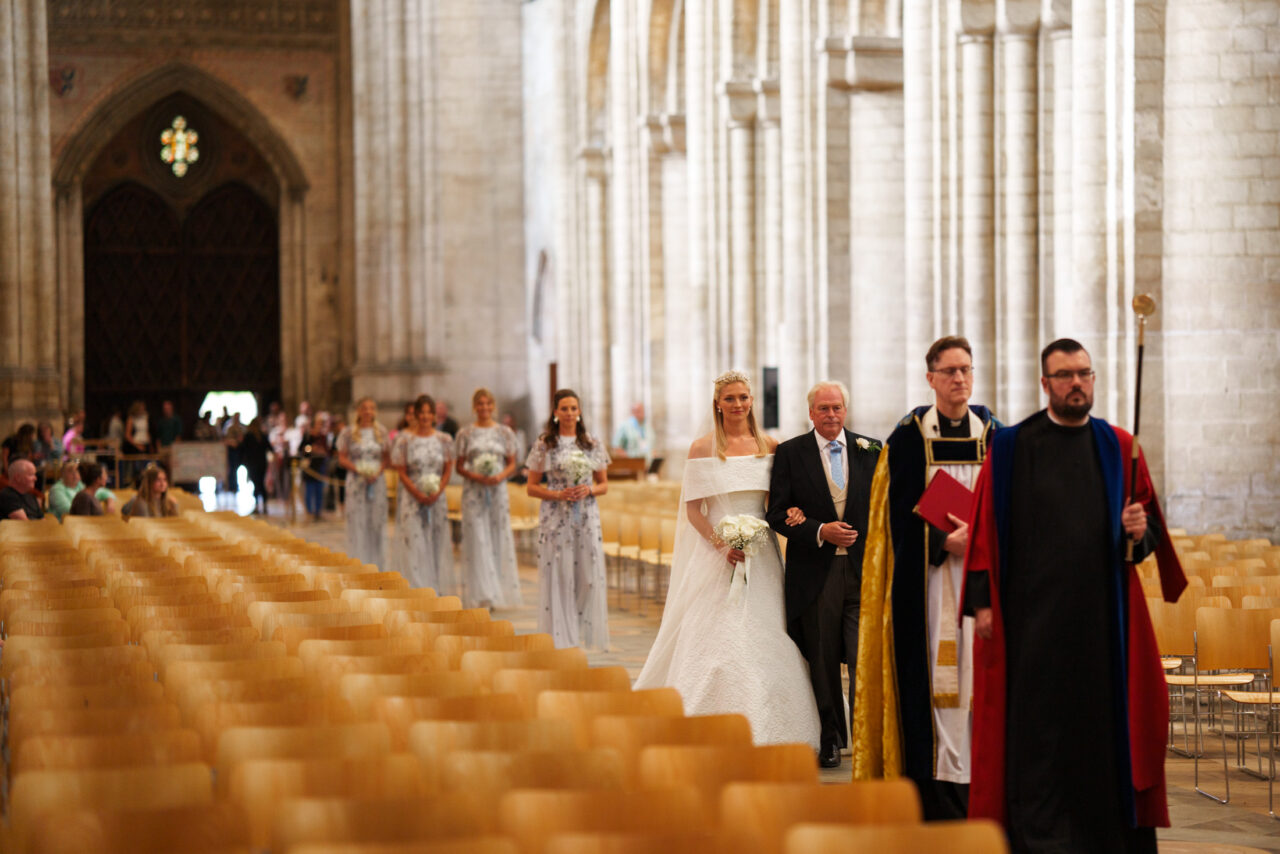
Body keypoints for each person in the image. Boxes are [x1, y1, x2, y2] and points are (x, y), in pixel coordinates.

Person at [962, 338, 1186, 852]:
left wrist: (1136, 531)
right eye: (1064, 375)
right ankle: (1038, 836)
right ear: (1045, 384)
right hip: (1031, 625)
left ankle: (1101, 834)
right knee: (1038, 736)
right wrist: (983, 603)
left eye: (1084, 373)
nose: (1076, 383)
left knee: (1101, 735)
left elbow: (1146, 538)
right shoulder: (1013, 446)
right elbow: (985, 531)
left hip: (1103, 626)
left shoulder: (1120, 446)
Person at [852, 336, 1000, 818]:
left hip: (984, 584)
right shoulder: (908, 440)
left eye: (966, 370)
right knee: (939, 682)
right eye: (950, 371)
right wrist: (941, 543)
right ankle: (935, 792)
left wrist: (977, 541)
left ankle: (984, 786)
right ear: (930, 378)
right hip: (930, 588)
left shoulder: (996, 435)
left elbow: (1016, 508)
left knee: (982, 681)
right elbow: (891, 522)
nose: (960, 378)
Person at [634, 370, 820, 747]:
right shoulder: (702, 448)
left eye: (744, 397)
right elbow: (694, 512)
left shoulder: (770, 445)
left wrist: (794, 515)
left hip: (761, 552)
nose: (738, 404)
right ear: (718, 403)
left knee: (765, 627)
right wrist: (723, 545)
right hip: (718, 552)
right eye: (731, 398)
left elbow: (777, 502)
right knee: (717, 630)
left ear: (752, 401)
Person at [766, 381, 879, 769]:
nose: (831, 415)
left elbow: (886, 506)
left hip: (864, 569)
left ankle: (867, 737)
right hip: (817, 571)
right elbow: (777, 513)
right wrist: (817, 529)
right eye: (823, 408)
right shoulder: (791, 453)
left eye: (837, 408)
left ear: (845, 411)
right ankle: (830, 739)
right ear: (811, 413)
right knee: (824, 657)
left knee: (863, 656)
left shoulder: (872, 450)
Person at [525, 389, 610, 650]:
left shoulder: (591, 443)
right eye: (564, 408)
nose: (570, 413)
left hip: (586, 514)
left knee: (587, 575)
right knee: (559, 573)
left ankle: (582, 630)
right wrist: (559, 494)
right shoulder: (544, 445)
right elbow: (531, 487)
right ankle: (561, 637)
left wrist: (589, 489)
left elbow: (604, 484)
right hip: (556, 515)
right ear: (555, 412)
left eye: (574, 408)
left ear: (580, 411)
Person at [455, 388, 523, 608]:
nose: (484, 408)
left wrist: (500, 475)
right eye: (480, 404)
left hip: (497, 490)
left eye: (488, 404)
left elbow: (512, 462)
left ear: (493, 406)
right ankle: (480, 593)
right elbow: (459, 465)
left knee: (496, 535)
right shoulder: (465, 433)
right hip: (474, 491)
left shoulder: (504, 432)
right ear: (475, 407)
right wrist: (475, 475)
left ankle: (495, 592)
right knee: (478, 538)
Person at [391, 395, 456, 592]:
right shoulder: (404, 440)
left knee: (435, 542)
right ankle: (417, 589)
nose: (426, 416)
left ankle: (435, 588)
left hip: (436, 497)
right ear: (416, 415)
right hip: (412, 498)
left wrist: (437, 490)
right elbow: (401, 470)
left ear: (435, 416)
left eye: (430, 412)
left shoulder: (444, 440)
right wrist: (416, 492)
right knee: (414, 542)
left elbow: (447, 468)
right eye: (422, 412)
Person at [336, 397, 391, 567]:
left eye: (371, 408)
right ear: (358, 411)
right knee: (358, 522)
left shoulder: (381, 432)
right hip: (356, 482)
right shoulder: (348, 432)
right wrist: (359, 469)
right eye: (364, 408)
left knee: (376, 522)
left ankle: (377, 564)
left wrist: (376, 472)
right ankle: (359, 562)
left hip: (377, 482)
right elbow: (342, 458)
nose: (368, 411)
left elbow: (386, 458)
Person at [300, 413, 332, 521]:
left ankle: (318, 511)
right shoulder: (308, 436)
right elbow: (302, 449)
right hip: (310, 465)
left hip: (320, 464)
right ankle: (309, 511)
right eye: (318, 423)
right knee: (309, 489)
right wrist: (310, 449)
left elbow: (328, 450)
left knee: (319, 489)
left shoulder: (323, 437)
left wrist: (322, 451)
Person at [239, 418, 271, 514]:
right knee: (260, 483)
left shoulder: (249, 436)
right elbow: (270, 448)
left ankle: (258, 505)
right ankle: (263, 505)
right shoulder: (262, 436)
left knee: (257, 484)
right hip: (261, 463)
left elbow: (243, 450)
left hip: (253, 464)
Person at [612, 401, 657, 469]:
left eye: (641, 411)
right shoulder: (624, 426)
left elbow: (653, 446)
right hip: (631, 465)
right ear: (632, 412)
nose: (639, 413)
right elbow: (616, 446)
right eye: (637, 411)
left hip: (648, 465)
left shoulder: (648, 427)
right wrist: (629, 460)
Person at [223, 413, 245, 493]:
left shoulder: (242, 427)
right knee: (232, 469)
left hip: (239, 450)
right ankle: (232, 486)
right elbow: (227, 439)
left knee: (236, 468)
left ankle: (235, 485)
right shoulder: (229, 428)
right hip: (232, 451)